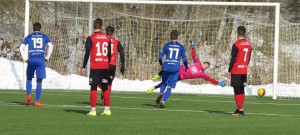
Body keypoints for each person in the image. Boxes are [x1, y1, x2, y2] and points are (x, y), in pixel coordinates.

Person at [147, 40, 225, 94]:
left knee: (166, 83)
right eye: (205, 65)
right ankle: (158, 75)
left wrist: (218, 83)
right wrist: (193, 47)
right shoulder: (197, 63)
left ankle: (153, 88)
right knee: (168, 65)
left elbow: (210, 79)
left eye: (207, 67)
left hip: (180, 76)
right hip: (178, 69)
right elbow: (194, 55)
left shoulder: (202, 74)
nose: (205, 67)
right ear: (203, 63)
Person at [81, 18, 112, 116]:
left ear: (94, 26)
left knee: (94, 87)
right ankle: (107, 109)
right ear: (101, 26)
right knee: (105, 87)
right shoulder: (107, 38)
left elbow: (87, 53)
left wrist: (83, 66)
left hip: (95, 66)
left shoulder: (90, 38)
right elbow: (110, 53)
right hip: (105, 66)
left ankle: (93, 111)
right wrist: (107, 62)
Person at [20, 22, 53, 107]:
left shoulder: (29, 37)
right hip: (41, 59)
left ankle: (29, 95)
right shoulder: (44, 37)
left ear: (33, 28)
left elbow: (21, 47)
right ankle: (37, 101)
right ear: (40, 28)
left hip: (31, 59)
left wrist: (25, 58)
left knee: (29, 78)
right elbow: (51, 46)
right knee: (39, 80)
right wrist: (47, 57)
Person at [156, 30, 188, 108]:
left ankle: (161, 93)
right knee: (169, 86)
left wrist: (161, 64)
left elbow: (160, 57)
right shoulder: (181, 47)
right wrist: (186, 67)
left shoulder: (166, 45)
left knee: (164, 82)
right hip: (175, 68)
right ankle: (163, 102)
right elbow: (185, 60)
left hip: (166, 67)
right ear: (177, 37)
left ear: (170, 36)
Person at [227, 26, 252, 116]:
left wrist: (229, 70)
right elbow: (249, 57)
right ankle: (239, 109)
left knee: (237, 90)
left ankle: (241, 111)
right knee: (242, 89)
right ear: (244, 33)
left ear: (237, 34)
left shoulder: (236, 44)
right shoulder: (249, 44)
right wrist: (245, 65)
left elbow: (233, 58)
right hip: (244, 70)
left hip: (236, 70)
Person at [99, 26, 125, 108]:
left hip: (102, 64)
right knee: (109, 83)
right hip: (112, 65)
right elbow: (122, 53)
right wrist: (123, 64)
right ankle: (105, 102)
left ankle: (103, 89)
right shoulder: (117, 42)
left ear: (106, 32)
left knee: (97, 81)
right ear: (113, 33)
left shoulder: (101, 41)